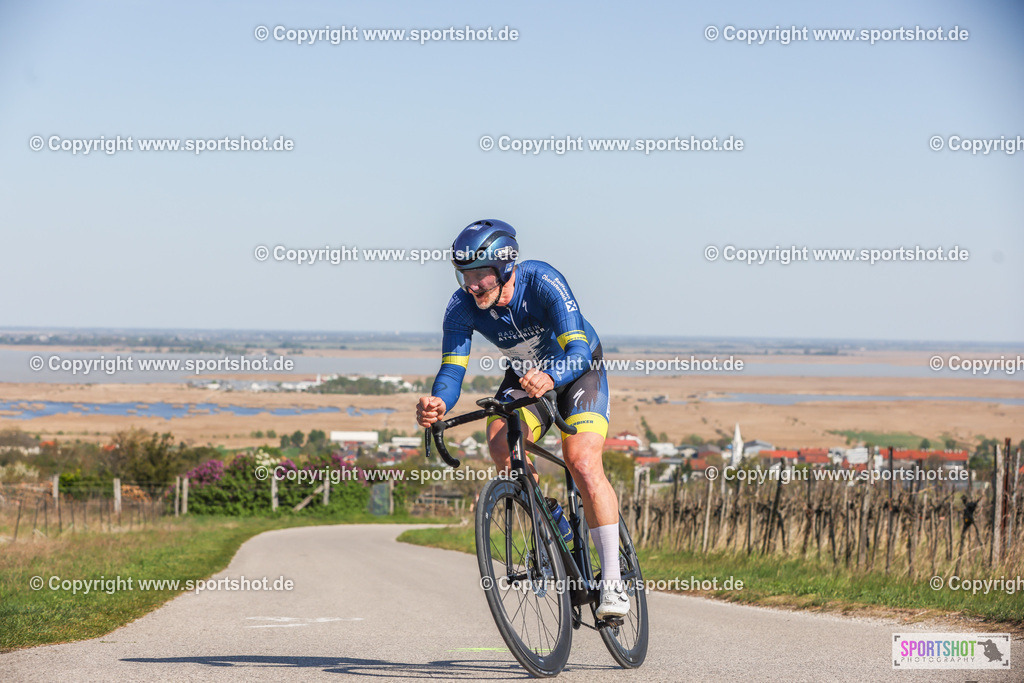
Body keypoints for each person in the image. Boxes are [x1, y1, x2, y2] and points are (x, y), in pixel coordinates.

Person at [415, 219, 629, 619]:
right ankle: (551, 519)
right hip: (526, 378)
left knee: (582, 461)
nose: (471, 285)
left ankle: (614, 583)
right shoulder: (461, 307)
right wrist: (439, 402)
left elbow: (579, 351)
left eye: (480, 275)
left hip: (577, 371)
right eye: (464, 275)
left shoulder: (543, 281)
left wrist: (552, 376)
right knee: (501, 444)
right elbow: (452, 370)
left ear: (505, 266)